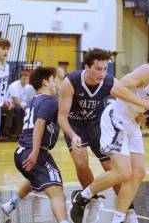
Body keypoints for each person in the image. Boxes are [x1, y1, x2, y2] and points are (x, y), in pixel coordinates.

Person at [69, 43, 149, 223]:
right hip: (116, 117)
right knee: (123, 173)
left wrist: (143, 114)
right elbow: (116, 90)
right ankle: (82, 197)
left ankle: (118, 219)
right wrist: (146, 106)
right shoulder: (148, 71)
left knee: (138, 173)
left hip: (132, 122)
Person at [58, 49, 138, 223]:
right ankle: (92, 200)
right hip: (74, 125)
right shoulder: (70, 82)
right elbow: (61, 117)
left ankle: (128, 211)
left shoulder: (110, 82)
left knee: (114, 169)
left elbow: (127, 100)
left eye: (105, 69)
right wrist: (72, 135)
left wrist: (137, 112)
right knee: (81, 163)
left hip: (98, 125)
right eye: (98, 69)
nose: (102, 73)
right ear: (86, 67)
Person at [1, 67, 70, 223]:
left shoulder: (34, 100)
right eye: (54, 80)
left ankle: (11, 204)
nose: (56, 83)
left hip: (20, 153)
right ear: (45, 82)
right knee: (58, 192)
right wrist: (36, 151)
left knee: (36, 178)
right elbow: (39, 123)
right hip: (35, 152)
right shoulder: (50, 101)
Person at [4, 71, 36, 138]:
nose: (26, 80)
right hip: (9, 103)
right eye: (24, 78)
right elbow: (15, 101)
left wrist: (27, 106)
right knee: (19, 109)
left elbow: (28, 100)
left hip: (19, 105)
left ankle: (19, 132)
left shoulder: (28, 87)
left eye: (27, 79)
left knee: (23, 109)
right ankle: (7, 131)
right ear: (20, 78)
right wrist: (24, 107)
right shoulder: (14, 85)